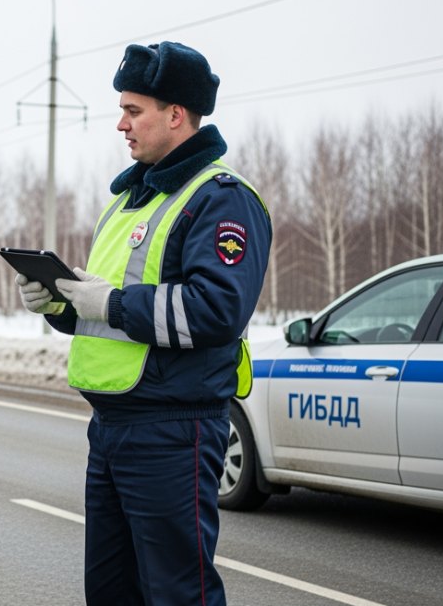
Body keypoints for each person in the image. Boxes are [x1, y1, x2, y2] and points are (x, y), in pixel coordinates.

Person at [17, 42, 270, 606]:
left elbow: (215, 311)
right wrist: (62, 303)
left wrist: (106, 303)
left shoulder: (220, 198)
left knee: (179, 594)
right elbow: (113, 314)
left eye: (134, 111)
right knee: (111, 593)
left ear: (176, 114)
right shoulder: (131, 196)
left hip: (174, 429)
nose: (121, 124)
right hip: (112, 427)